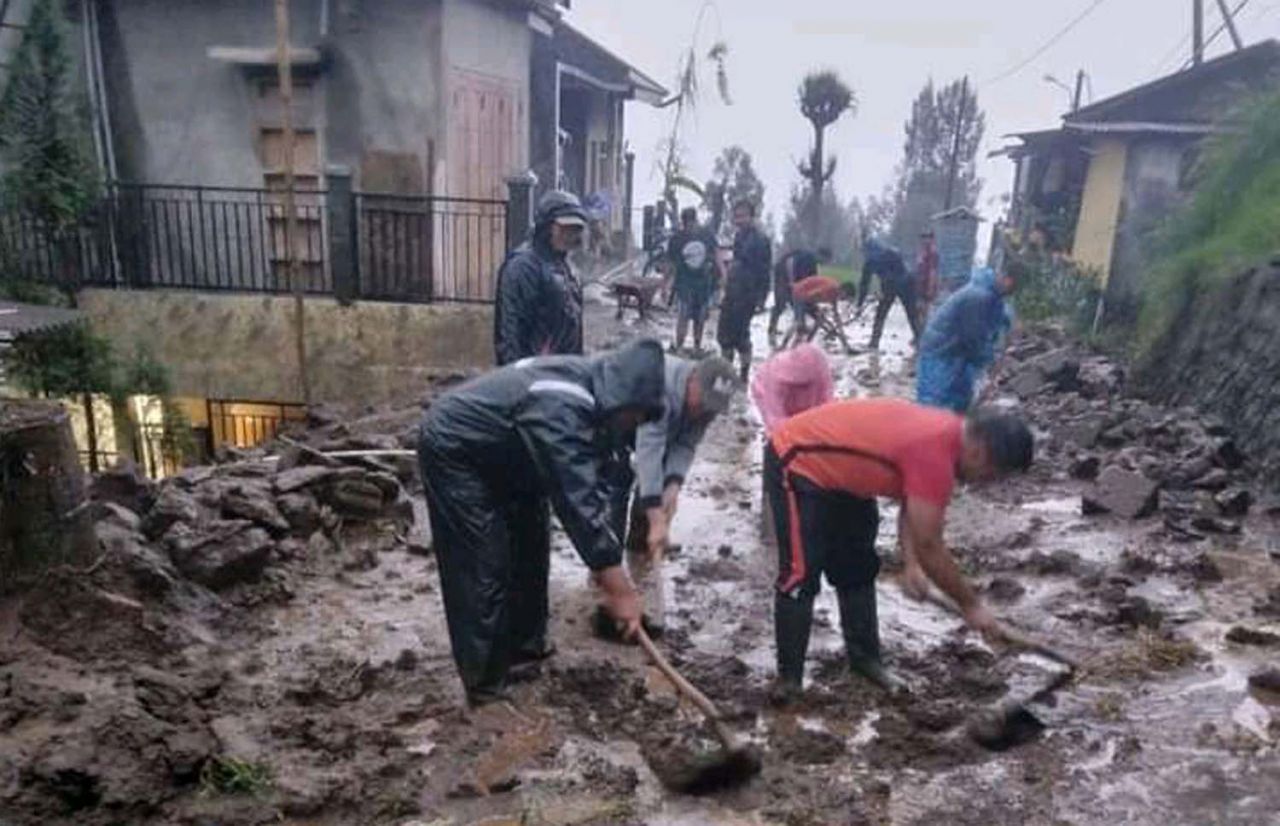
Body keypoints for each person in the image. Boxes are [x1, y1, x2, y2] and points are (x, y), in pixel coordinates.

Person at [417, 339, 665, 706]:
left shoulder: (598, 399)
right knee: (485, 564)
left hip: (512, 458)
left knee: (532, 548)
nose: (636, 426)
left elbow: (599, 491)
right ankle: (485, 686)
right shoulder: (563, 403)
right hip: (459, 452)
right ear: (625, 398)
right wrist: (620, 588)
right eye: (637, 417)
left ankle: (524, 650)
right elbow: (576, 501)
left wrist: (607, 563)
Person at [764, 398, 1034, 704]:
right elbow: (930, 543)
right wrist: (970, 605)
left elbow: (913, 498)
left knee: (858, 566)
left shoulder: (947, 438)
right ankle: (789, 682)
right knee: (801, 574)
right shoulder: (936, 452)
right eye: (992, 475)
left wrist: (912, 564)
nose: (986, 483)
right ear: (980, 452)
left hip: (847, 475)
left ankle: (865, 660)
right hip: (798, 459)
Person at [614, 356, 738, 628]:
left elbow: (685, 444)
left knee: (654, 497)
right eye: (703, 401)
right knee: (617, 484)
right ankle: (606, 573)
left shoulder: (707, 407)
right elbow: (649, 451)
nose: (705, 410)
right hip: (616, 421)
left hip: (651, 434)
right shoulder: (661, 388)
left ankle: (639, 556)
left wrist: (673, 486)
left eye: (712, 406)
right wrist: (657, 516)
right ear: (693, 379)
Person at [493, 190, 588, 366]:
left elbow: (575, 332)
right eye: (565, 228)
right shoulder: (523, 267)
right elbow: (510, 331)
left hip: (563, 370)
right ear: (547, 227)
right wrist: (516, 377)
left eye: (576, 229)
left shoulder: (570, 269)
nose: (571, 235)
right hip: (534, 373)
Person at [916, 266, 1017, 413]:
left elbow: (996, 320)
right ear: (1005, 278)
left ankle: (955, 429)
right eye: (1012, 285)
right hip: (941, 350)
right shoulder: (978, 296)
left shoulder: (993, 295)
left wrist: (1006, 325)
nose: (1011, 291)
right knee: (934, 402)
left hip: (958, 351)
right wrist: (988, 361)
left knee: (959, 399)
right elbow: (974, 337)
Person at [717, 200, 773, 382]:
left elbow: (765, 272)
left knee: (740, 335)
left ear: (752, 217)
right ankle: (729, 375)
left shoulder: (760, 240)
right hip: (733, 291)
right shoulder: (739, 236)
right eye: (736, 216)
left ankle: (742, 376)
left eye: (742, 216)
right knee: (724, 334)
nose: (738, 220)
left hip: (747, 294)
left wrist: (761, 299)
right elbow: (737, 261)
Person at [750, 343, 835, 435]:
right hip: (773, 392)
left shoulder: (819, 366)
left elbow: (826, 402)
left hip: (810, 392)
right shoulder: (770, 378)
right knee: (781, 435)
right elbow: (775, 419)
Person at [667, 208, 719, 355]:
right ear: (684, 223)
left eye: (692, 223)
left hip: (703, 283)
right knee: (683, 314)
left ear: (696, 221)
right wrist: (665, 284)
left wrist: (723, 275)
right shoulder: (677, 238)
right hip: (684, 283)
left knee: (700, 317)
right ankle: (679, 346)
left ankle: (697, 346)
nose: (690, 226)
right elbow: (671, 264)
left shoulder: (706, 236)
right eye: (687, 224)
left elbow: (716, 255)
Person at [858, 237, 922, 350]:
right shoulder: (875, 260)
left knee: (907, 313)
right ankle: (874, 343)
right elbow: (864, 283)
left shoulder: (887, 256)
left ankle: (920, 340)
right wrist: (860, 303)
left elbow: (899, 275)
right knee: (886, 313)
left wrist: (861, 302)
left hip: (902, 284)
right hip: (897, 285)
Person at [768, 246, 828, 341]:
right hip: (782, 272)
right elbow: (790, 262)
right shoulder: (808, 257)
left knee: (799, 301)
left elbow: (810, 285)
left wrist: (814, 308)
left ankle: (801, 325)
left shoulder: (813, 266)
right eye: (826, 260)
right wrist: (792, 281)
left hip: (791, 277)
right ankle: (772, 328)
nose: (825, 263)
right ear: (822, 256)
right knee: (781, 302)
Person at [915, 230, 940, 321]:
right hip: (920, 284)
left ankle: (924, 331)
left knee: (925, 310)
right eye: (923, 238)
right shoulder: (922, 252)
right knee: (919, 310)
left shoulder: (933, 253)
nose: (925, 240)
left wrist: (930, 288)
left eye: (927, 238)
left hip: (927, 285)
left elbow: (933, 271)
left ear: (932, 239)